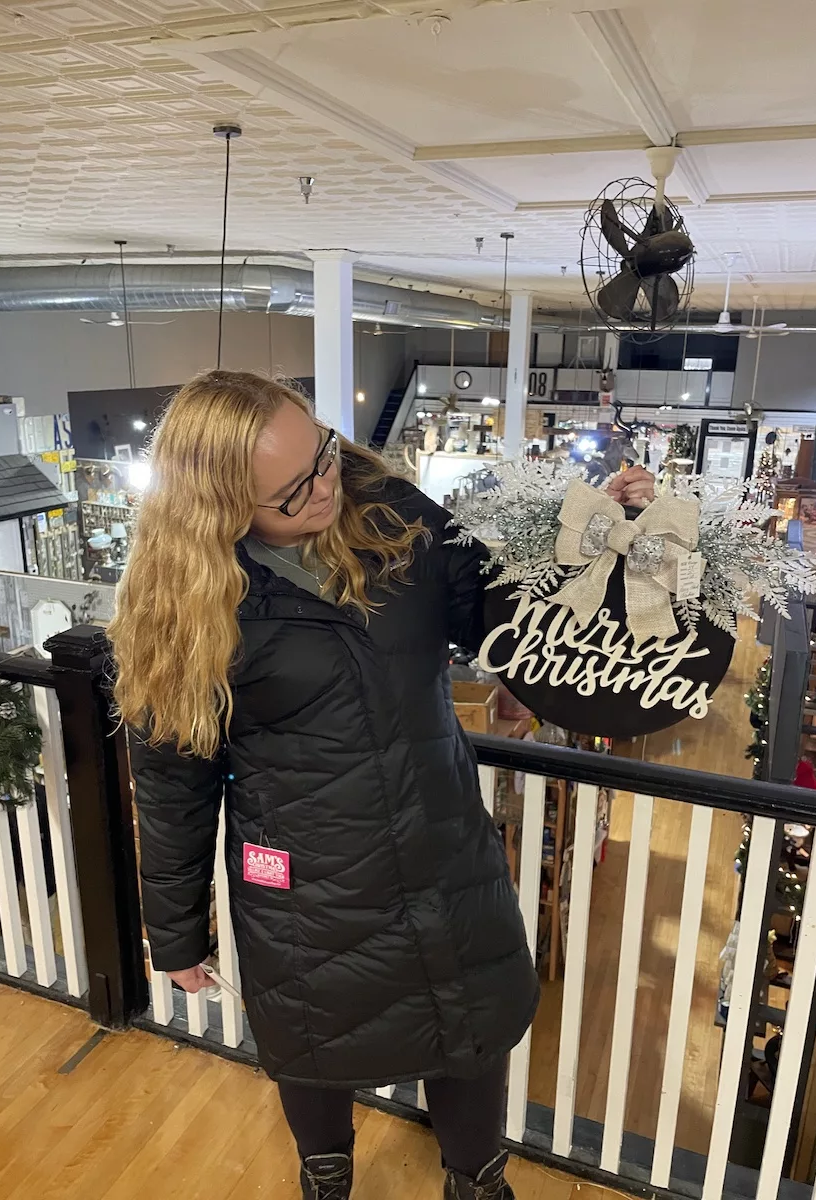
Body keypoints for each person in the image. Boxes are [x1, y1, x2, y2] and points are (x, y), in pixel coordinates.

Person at [108, 370, 655, 1200]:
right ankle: (324, 1176)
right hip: (308, 884)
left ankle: (479, 1181)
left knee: (470, 1030)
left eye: (323, 456)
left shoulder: (397, 517)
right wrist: (175, 931)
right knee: (316, 1038)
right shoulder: (181, 605)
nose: (325, 487)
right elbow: (172, 781)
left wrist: (610, 539)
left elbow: (510, 615)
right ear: (216, 506)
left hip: (442, 847)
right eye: (293, 491)